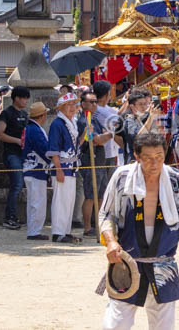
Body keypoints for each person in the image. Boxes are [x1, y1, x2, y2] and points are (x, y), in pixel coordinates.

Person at [99, 132, 179, 330]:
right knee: (116, 325)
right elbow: (106, 214)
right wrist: (111, 241)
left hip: (164, 266)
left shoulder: (177, 181)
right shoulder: (122, 177)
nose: (154, 163)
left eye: (159, 157)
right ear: (136, 156)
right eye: (147, 158)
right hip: (127, 264)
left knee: (164, 326)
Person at [81, 90, 118, 238]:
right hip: (90, 160)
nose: (94, 104)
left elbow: (101, 137)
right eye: (91, 102)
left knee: (101, 195)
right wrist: (110, 134)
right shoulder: (85, 120)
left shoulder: (95, 119)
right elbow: (97, 139)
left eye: (96, 101)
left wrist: (105, 135)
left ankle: (99, 224)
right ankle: (87, 227)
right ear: (83, 104)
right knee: (90, 195)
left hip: (100, 160)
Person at [47, 92, 82, 243]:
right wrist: (58, 169)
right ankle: (58, 232)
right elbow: (54, 149)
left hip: (72, 166)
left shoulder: (72, 123)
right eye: (68, 105)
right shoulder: (57, 124)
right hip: (61, 166)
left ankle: (66, 231)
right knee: (60, 200)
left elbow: (76, 145)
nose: (72, 107)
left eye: (74, 104)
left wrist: (86, 133)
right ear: (61, 107)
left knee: (69, 200)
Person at [0, 85, 30, 230]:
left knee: (19, 185)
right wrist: (16, 141)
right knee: (16, 185)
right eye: (24, 98)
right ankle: (9, 217)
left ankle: (13, 216)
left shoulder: (24, 114)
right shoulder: (6, 113)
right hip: (11, 154)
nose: (26, 101)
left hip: (23, 154)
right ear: (16, 98)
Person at [22, 101, 50, 241]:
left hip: (29, 168)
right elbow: (44, 150)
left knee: (33, 202)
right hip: (36, 170)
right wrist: (54, 162)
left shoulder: (29, 128)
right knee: (38, 202)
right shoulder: (35, 130)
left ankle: (33, 230)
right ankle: (34, 231)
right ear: (42, 115)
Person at [93, 81, 124, 169]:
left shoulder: (102, 108)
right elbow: (118, 121)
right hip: (106, 153)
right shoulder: (101, 112)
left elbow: (118, 113)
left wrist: (127, 103)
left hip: (110, 150)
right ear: (106, 95)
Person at [120, 89, 159, 159]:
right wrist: (150, 118)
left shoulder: (141, 117)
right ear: (132, 106)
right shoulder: (129, 120)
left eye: (145, 104)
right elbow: (138, 137)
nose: (144, 107)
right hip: (134, 160)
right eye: (140, 104)